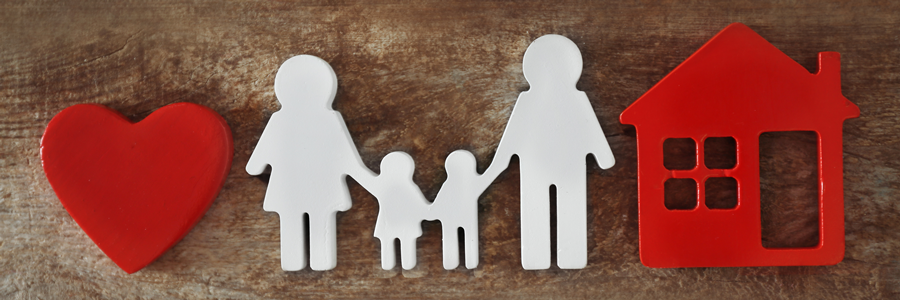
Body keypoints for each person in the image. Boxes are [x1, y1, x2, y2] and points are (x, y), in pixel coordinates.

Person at [480, 35, 616, 270]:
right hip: (553, 166)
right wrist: (603, 157)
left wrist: (499, 164)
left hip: (553, 168)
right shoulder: (566, 99)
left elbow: (513, 138)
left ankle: (552, 255)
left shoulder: (557, 99)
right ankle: (546, 255)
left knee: (552, 208)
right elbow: (515, 134)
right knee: (550, 208)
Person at [246, 55, 374, 271]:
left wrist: (258, 166)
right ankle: (317, 260)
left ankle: (297, 260)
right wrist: (367, 179)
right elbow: (348, 159)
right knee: (316, 217)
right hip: (319, 187)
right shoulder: (327, 119)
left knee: (295, 220)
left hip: (291, 188)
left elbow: (254, 165)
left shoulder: (282, 120)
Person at [353, 151, 431, 270]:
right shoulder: (407, 187)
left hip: (394, 224)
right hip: (399, 224)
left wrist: (351, 167)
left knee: (395, 243)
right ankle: (401, 263)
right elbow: (422, 207)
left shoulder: (386, 186)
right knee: (399, 243)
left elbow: (363, 177)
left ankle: (398, 263)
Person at [428, 150, 494, 269]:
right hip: (460, 218)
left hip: (455, 218)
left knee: (456, 237)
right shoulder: (463, 183)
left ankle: (458, 261)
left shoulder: (454, 183)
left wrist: (432, 211)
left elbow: (439, 201)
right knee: (462, 237)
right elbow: (488, 178)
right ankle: (458, 261)